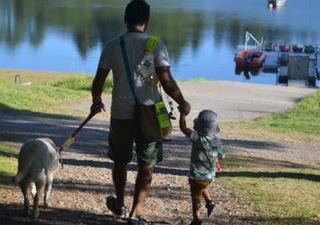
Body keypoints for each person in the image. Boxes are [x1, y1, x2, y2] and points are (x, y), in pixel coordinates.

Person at [90, 1, 191, 225]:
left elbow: (98, 82)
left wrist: (96, 101)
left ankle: (121, 205)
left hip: (120, 111)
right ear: (146, 21)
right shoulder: (156, 45)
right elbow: (166, 81)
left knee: (120, 160)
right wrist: (182, 101)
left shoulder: (112, 46)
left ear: (125, 19)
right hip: (150, 111)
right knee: (147, 163)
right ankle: (135, 215)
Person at [179, 110, 225, 225]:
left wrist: (182, 115)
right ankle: (210, 203)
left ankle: (197, 219)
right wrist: (217, 162)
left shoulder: (197, 137)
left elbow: (183, 128)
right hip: (209, 176)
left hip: (196, 176)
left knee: (196, 198)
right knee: (203, 186)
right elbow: (221, 155)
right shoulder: (217, 141)